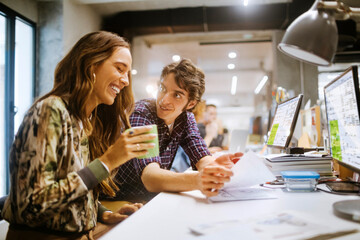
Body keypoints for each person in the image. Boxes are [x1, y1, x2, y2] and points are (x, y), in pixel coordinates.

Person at [1, 31, 156, 239]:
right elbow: (33, 204)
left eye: (128, 73)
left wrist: (104, 214)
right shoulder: (50, 110)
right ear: (91, 65)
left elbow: (69, 188)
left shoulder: (84, 121)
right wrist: (107, 162)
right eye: (120, 69)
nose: (126, 81)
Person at [111, 59, 242, 201]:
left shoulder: (186, 118)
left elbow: (201, 155)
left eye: (177, 95)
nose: (164, 100)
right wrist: (197, 180)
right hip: (121, 201)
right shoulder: (141, 114)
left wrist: (215, 169)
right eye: (163, 89)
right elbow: (150, 178)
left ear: (190, 103)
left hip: (150, 200)